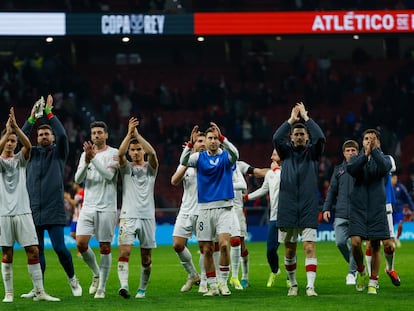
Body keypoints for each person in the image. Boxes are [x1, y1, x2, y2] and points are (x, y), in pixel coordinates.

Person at [20, 95, 82, 298]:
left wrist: (48, 113)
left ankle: (73, 279)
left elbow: (63, 135)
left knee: (60, 248)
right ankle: (39, 288)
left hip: (54, 208)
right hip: (33, 208)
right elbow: (20, 136)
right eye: (40, 134)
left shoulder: (58, 153)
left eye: (47, 133)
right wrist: (31, 119)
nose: (44, 136)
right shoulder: (30, 153)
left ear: (52, 138)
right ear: (36, 138)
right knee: (37, 251)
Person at [0, 107, 60, 302]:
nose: (10, 144)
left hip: (24, 212)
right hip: (4, 213)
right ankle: (9, 293)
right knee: (7, 254)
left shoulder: (21, 160)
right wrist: (9, 131)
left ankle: (40, 291)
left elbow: (27, 145)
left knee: (33, 250)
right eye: (8, 141)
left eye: (13, 142)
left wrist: (16, 129)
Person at [273, 102, 325, 297]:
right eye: (296, 134)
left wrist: (306, 118)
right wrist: (291, 120)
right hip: (287, 206)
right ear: (292, 137)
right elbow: (276, 137)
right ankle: (293, 284)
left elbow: (320, 137)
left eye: (303, 134)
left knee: (309, 246)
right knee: (289, 249)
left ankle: (310, 286)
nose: (300, 136)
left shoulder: (313, 153)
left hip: (308, 205)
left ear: (307, 137)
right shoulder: (285, 152)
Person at [180, 122, 239, 297]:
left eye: (215, 138)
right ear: (204, 141)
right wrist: (190, 145)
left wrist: (224, 138)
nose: (213, 141)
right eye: (210, 138)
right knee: (206, 249)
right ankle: (212, 286)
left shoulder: (226, 157)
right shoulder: (199, 158)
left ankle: (223, 282)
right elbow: (183, 161)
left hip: (224, 207)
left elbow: (236, 154)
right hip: (204, 208)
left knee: (223, 245)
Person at [75, 121, 119, 299]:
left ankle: (102, 287)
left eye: (100, 132)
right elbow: (78, 179)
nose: (96, 136)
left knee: (105, 246)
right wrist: (86, 161)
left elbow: (109, 176)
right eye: (93, 133)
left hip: (107, 207)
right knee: (80, 243)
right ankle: (96, 273)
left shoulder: (114, 153)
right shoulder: (85, 154)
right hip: (88, 206)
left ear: (106, 135)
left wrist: (92, 158)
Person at [117, 117, 159, 299]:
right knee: (124, 252)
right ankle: (124, 286)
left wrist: (137, 135)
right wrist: (129, 134)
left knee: (146, 258)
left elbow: (154, 153)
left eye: (138, 149)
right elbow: (120, 155)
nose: (135, 152)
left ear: (142, 150)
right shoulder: (126, 169)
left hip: (148, 217)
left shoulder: (151, 169)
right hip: (128, 216)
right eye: (132, 150)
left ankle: (142, 289)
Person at [347, 129, 392, 294]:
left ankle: (373, 281)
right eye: (366, 139)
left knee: (375, 246)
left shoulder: (384, 159)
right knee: (355, 243)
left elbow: (385, 167)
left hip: (376, 208)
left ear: (378, 142)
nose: (369, 141)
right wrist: (365, 154)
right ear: (362, 142)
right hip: (358, 209)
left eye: (372, 139)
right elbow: (352, 170)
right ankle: (361, 271)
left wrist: (375, 151)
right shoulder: (355, 159)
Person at [171, 130, 205, 292]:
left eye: (204, 141)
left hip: (204, 211)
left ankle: (205, 280)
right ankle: (193, 275)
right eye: (199, 141)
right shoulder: (186, 163)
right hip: (186, 210)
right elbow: (174, 181)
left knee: (205, 248)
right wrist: (186, 163)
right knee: (177, 245)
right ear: (194, 145)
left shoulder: (211, 163)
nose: (202, 144)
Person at [244, 149, 282, 288]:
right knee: (270, 250)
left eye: (275, 154)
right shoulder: (271, 174)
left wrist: (276, 169)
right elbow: (263, 190)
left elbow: (283, 182)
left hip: (288, 216)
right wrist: (247, 197)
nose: (271, 156)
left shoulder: (288, 171)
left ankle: (291, 279)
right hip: (274, 217)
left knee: (291, 248)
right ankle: (275, 271)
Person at [322, 140, 359, 285]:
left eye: (353, 150)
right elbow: (332, 190)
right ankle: (357, 263)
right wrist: (326, 208)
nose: (350, 153)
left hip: (358, 213)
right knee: (340, 242)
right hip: (341, 213)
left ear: (358, 152)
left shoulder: (362, 168)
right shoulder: (338, 170)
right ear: (344, 153)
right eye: (348, 150)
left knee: (355, 244)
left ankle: (352, 273)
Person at [391, 173, 414, 247]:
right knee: (390, 225)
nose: (395, 180)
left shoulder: (400, 187)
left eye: (396, 178)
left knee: (400, 224)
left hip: (399, 208)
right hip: (390, 209)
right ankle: (391, 239)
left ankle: (397, 238)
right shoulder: (387, 187)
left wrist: (412, 207)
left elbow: (407, 197)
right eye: (393, 178)